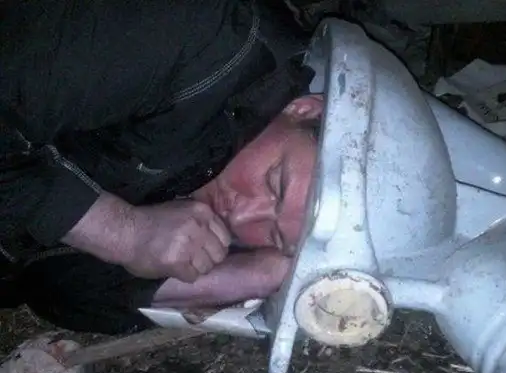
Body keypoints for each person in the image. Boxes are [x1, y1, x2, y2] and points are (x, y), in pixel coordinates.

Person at [0, 0, 323, 335]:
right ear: (304, 109)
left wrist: (251, 276)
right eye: (275, 184)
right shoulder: (199, 36)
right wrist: (120, 231)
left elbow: (53, 285)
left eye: (273, 234)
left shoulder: (215, 171)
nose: (241, 215)